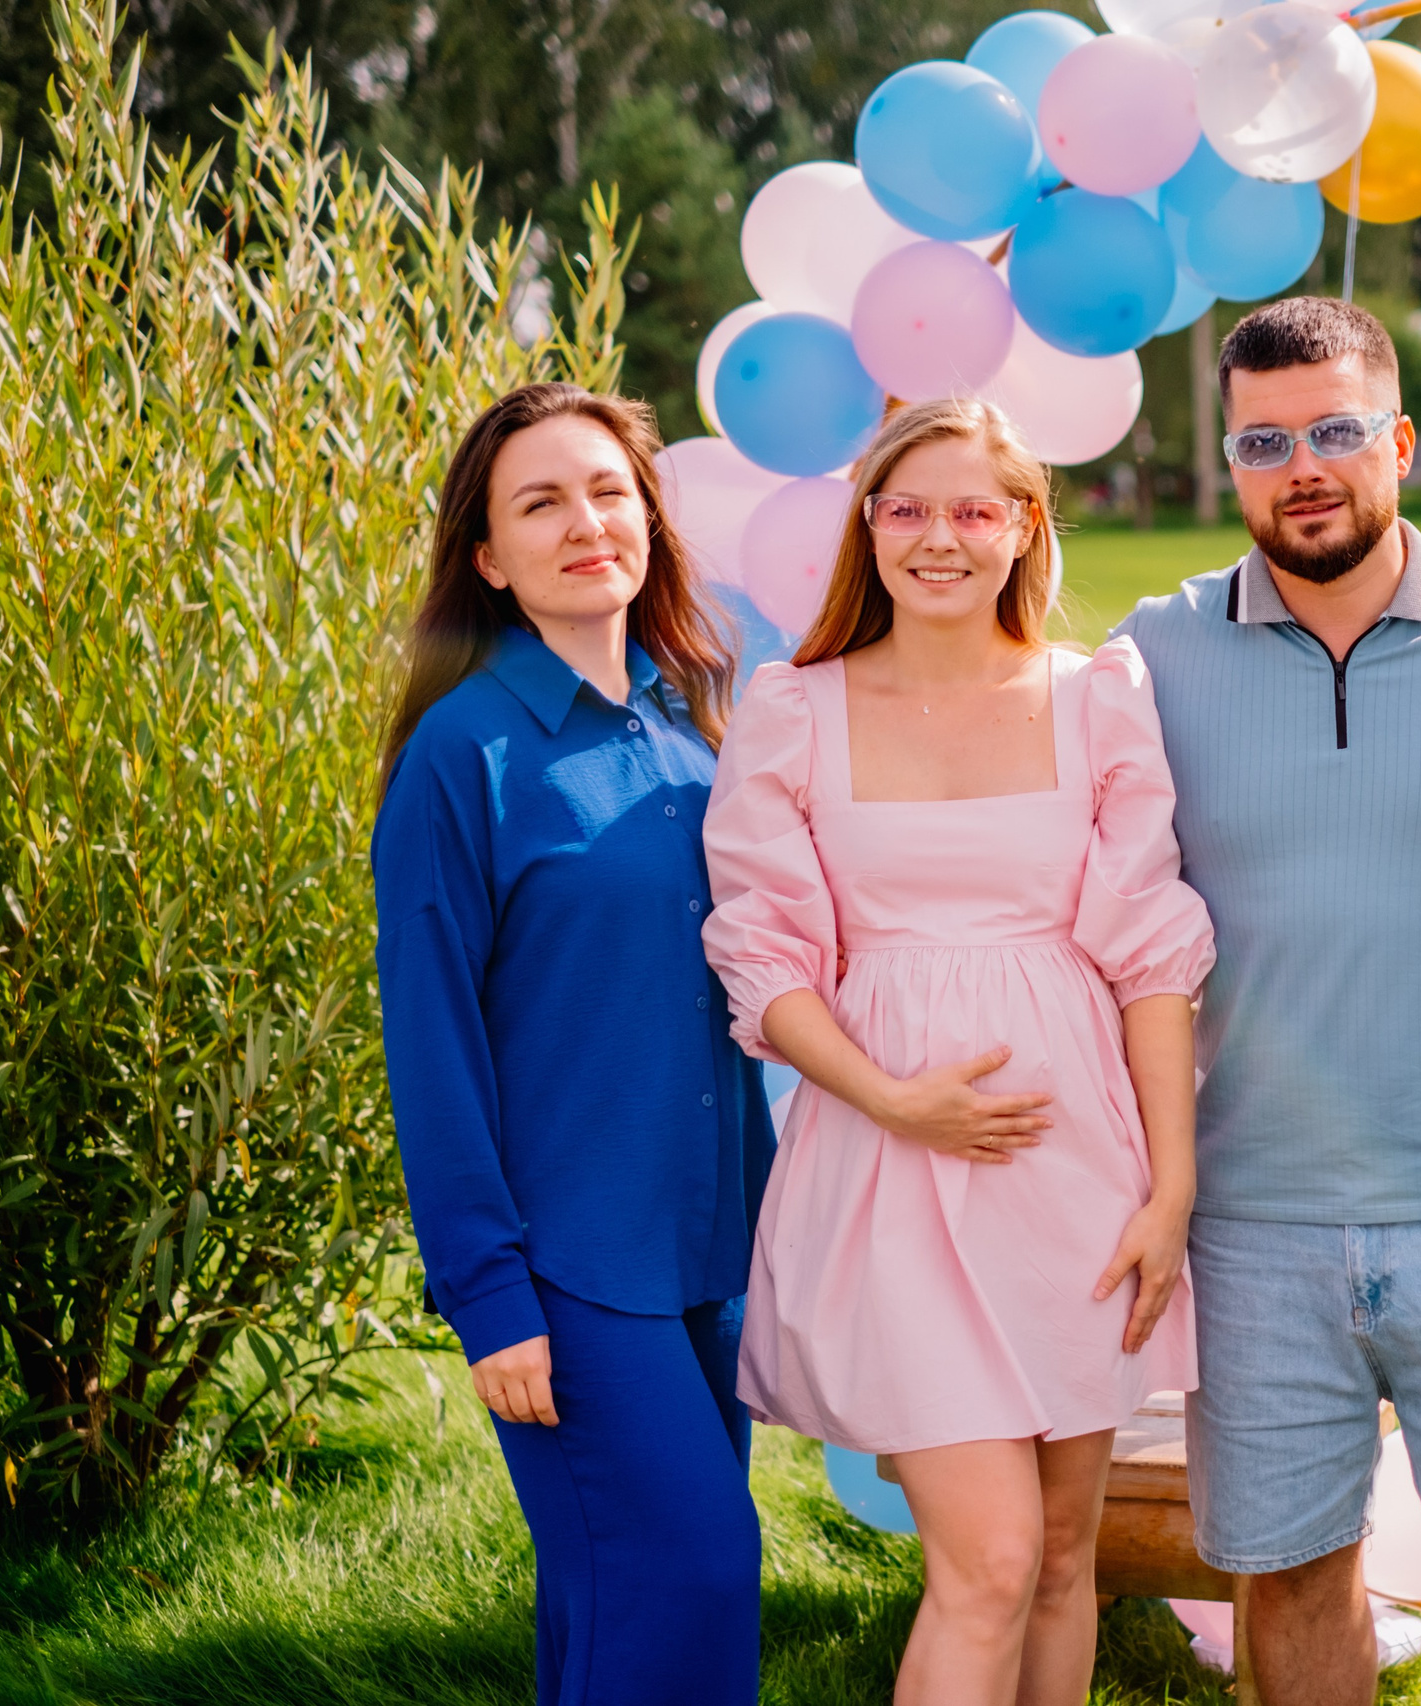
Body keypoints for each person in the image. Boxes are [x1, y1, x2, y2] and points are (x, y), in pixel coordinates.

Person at [1114, 298, 1421, 1706]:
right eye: (1266, 441)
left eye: (1337, 430)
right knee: (1288, 1568)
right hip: (1256, 1210)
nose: (1305, 466)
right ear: (1231, 464)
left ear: (1398, 439)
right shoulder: (1156, 654)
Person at [699, 397, 1213, 1706]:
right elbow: (764, 960)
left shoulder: (1095, 696)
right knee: (985, 1559)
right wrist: (895, 1098)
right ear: (868, 527)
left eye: (976, 508)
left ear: (1026, 526)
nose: (941, 537)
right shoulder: (795, 709)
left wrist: (1169, 1187)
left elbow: (1150, 955)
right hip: (892, 1170)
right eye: (908, 509)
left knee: (1060, 1559)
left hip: (1077, 1176)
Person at [373, 383, 774, 1706]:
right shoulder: (462, 756)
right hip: (570, 1270)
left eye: (607, 490)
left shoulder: (696, 726)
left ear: (648, 519)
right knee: (696, 1578)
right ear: (488, 557)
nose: (585, 521)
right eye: (539, 502)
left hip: (710, 1249)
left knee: (621, 1609)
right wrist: (488, 1296)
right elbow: (431, 1045)